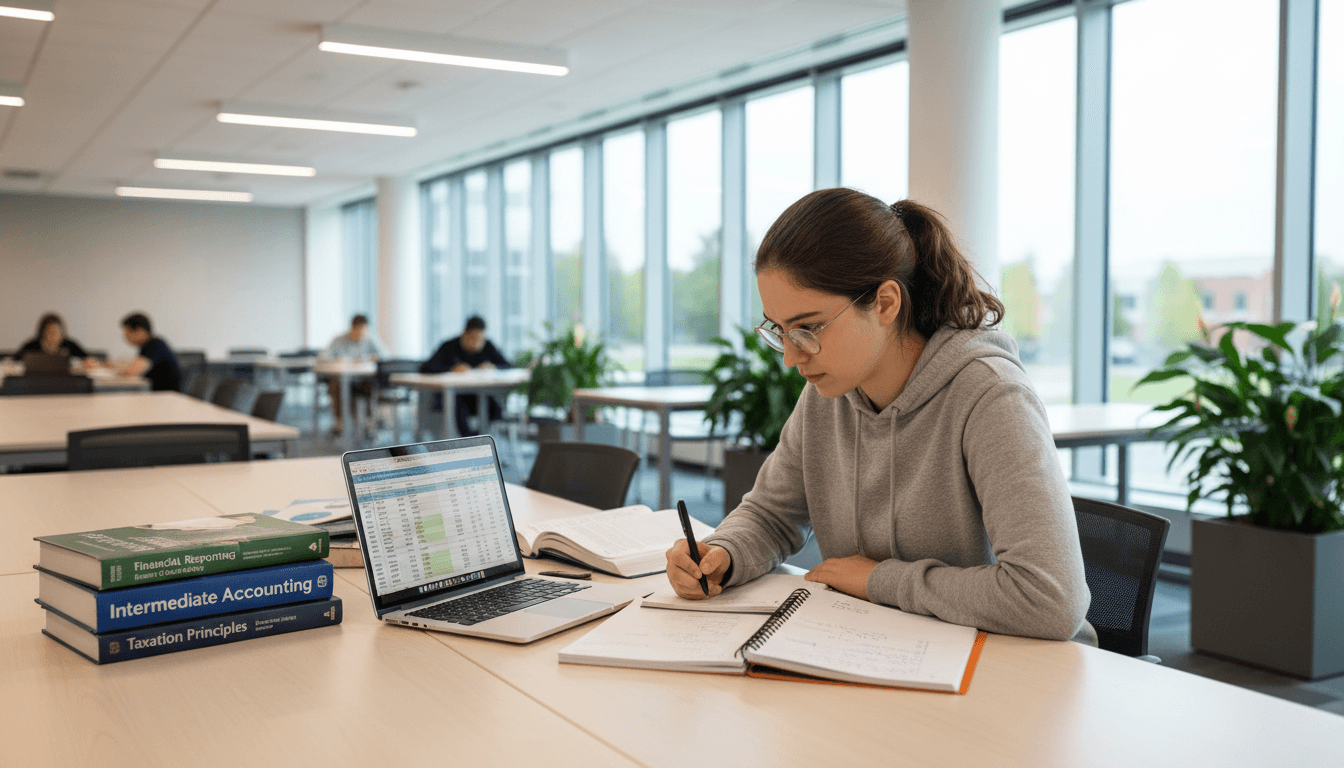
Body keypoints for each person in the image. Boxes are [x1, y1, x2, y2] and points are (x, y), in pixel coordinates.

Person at [664, 188, 1093, 644]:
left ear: (886, 303)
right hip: (885, 647)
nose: (791, 357)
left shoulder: (989, 395)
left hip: (1012, 667)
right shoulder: (828, 392)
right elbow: (772, 515)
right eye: (779, 330)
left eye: (807, 328)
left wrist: (876, 581)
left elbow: (1050, 600)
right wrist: (723, 553)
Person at [421, 315, 512, 437]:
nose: (477, 343)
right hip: (452, 396)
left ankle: (481, 437)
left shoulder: (487, 346)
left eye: (480, 339)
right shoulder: (449, 347)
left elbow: (508, 365)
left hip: (476, 396)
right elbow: (426, 368)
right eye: (473, 338)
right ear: (465, 334)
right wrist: (451, 369)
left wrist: (493, 367)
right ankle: (470, 440)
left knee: (494, 407)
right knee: (458, 407)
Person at [322, 314, 384, 435]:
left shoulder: (369, 340)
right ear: (352, 328)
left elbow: (384, 356)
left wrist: (371, 358)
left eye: (364, 332)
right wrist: (341, 360)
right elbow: (324, 357)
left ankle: (369, 422)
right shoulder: (339, 340)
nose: (361, 335)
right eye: (359, 332)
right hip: (342, 378)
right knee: (335, 384)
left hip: (363, 379)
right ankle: (340, 422)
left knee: (372, 386)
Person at [113, 313, 182, 391]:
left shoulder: (155, 345)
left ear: (139, 330)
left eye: (127, 333)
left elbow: (132, 370)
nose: (125, 337)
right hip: (158, 394)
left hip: (165, 396)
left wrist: (115, 368)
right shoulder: (148, 346)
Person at [18, 313, 89, 359]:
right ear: (42, 333)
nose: (53, 335)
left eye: (56, 332)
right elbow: (14, 361)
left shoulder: (70, 345)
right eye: (50, 332)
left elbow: (87, 359)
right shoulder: (31, 346)